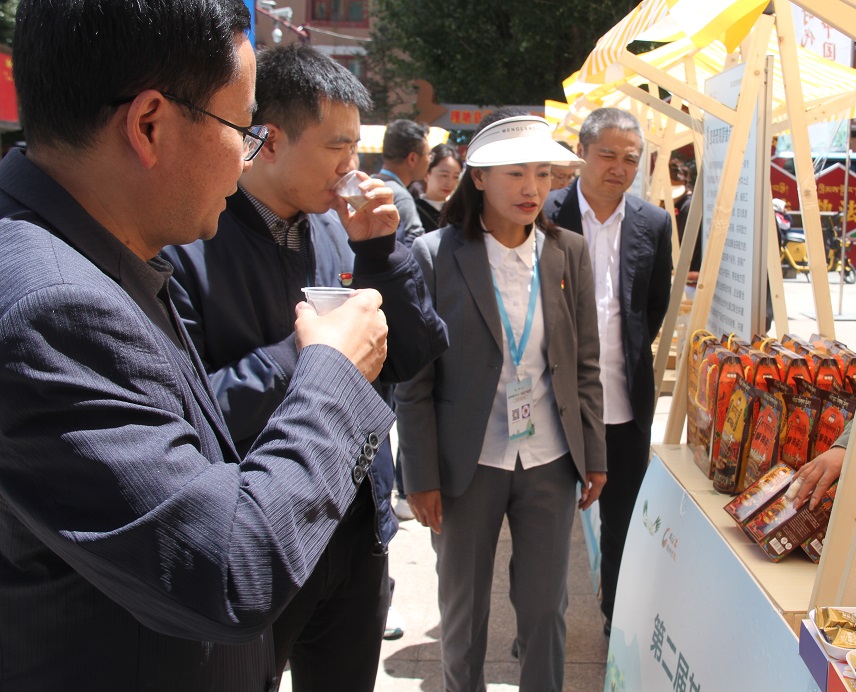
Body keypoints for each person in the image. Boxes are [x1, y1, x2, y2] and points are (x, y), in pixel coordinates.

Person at [0, 2, 397, 690]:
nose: (246, 158)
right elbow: (231, 568)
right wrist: (330, 372)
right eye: (242, 130)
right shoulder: (52, 308)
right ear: (149, 125)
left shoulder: (99, 255)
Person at [161, 44, 448, 691]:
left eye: (355, 147)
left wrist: (382, 253)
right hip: (257, 534)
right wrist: (311, 356)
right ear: (267, 140)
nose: (352, 167)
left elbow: (411, 352)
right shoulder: (190, 240)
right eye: (336, 147)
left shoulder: (342, 228)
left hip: (354, 528)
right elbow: (193, 410)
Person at [395, 110, 607, 691]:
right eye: (515, 173)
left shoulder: (567, 253)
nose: (531, 188)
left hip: (549, 459)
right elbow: (414, 380)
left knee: (546, 609)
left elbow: (585, 363)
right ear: (480, 177)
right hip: (466, 464)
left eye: (542, 172)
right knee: (463, 615)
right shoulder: (434, 255)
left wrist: (594, 453)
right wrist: (420, 476)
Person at [544, 107, 673, 637]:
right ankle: (539, 625)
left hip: (623, 398)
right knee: (546, 524)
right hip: (553, 398)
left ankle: (614, 619)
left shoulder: (653, 222)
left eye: (631, 159)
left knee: (622, 521)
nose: (620, 168)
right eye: (608, 155)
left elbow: (654, 305)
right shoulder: (544, 213)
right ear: (582, 154)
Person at [376, 119, 430, 248]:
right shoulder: (401, 198)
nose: (429, 160)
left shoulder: (368, 186)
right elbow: (416, 247)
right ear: (412, 158)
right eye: (428, 154)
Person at [414, 142, 462, 234]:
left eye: (456, 177)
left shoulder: (459, 211)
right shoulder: (414, 209)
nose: (450, 183)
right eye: (444, 175)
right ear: (427, 173)